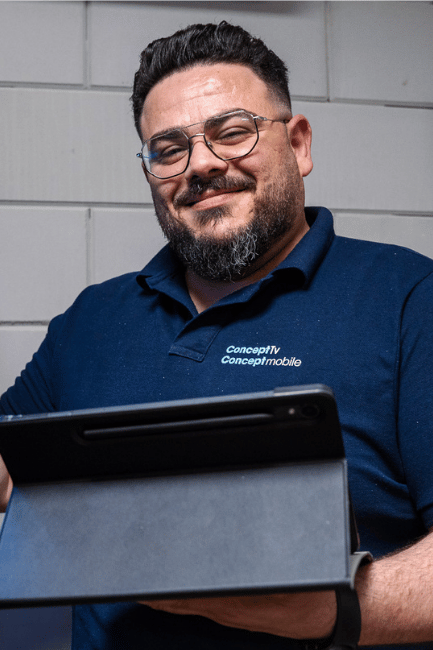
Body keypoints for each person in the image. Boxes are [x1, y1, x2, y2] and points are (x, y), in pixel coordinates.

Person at [1, 20, 433, 650]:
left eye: (232, 132)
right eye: (168, 149)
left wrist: (328, 610)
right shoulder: (93, 318)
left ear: (299, 144)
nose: (201, 164)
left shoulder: (409, 299)